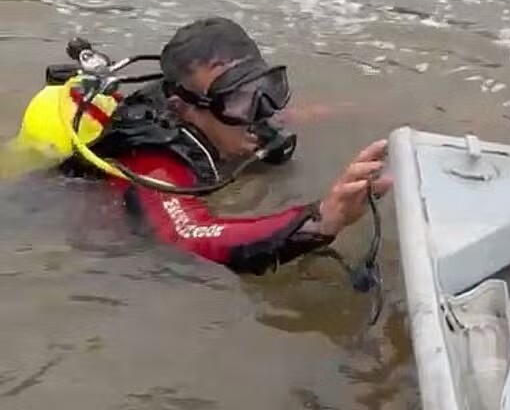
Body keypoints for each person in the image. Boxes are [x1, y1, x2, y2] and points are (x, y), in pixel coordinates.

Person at [59, 17, 393, 274]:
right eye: (236, 99)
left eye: (262, 88)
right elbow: (189, 236)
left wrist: (384, 108)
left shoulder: (230, 115)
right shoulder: (154, 161)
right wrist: (322, 219)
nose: (258, 112)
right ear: (183, 109)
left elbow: (306, 114)